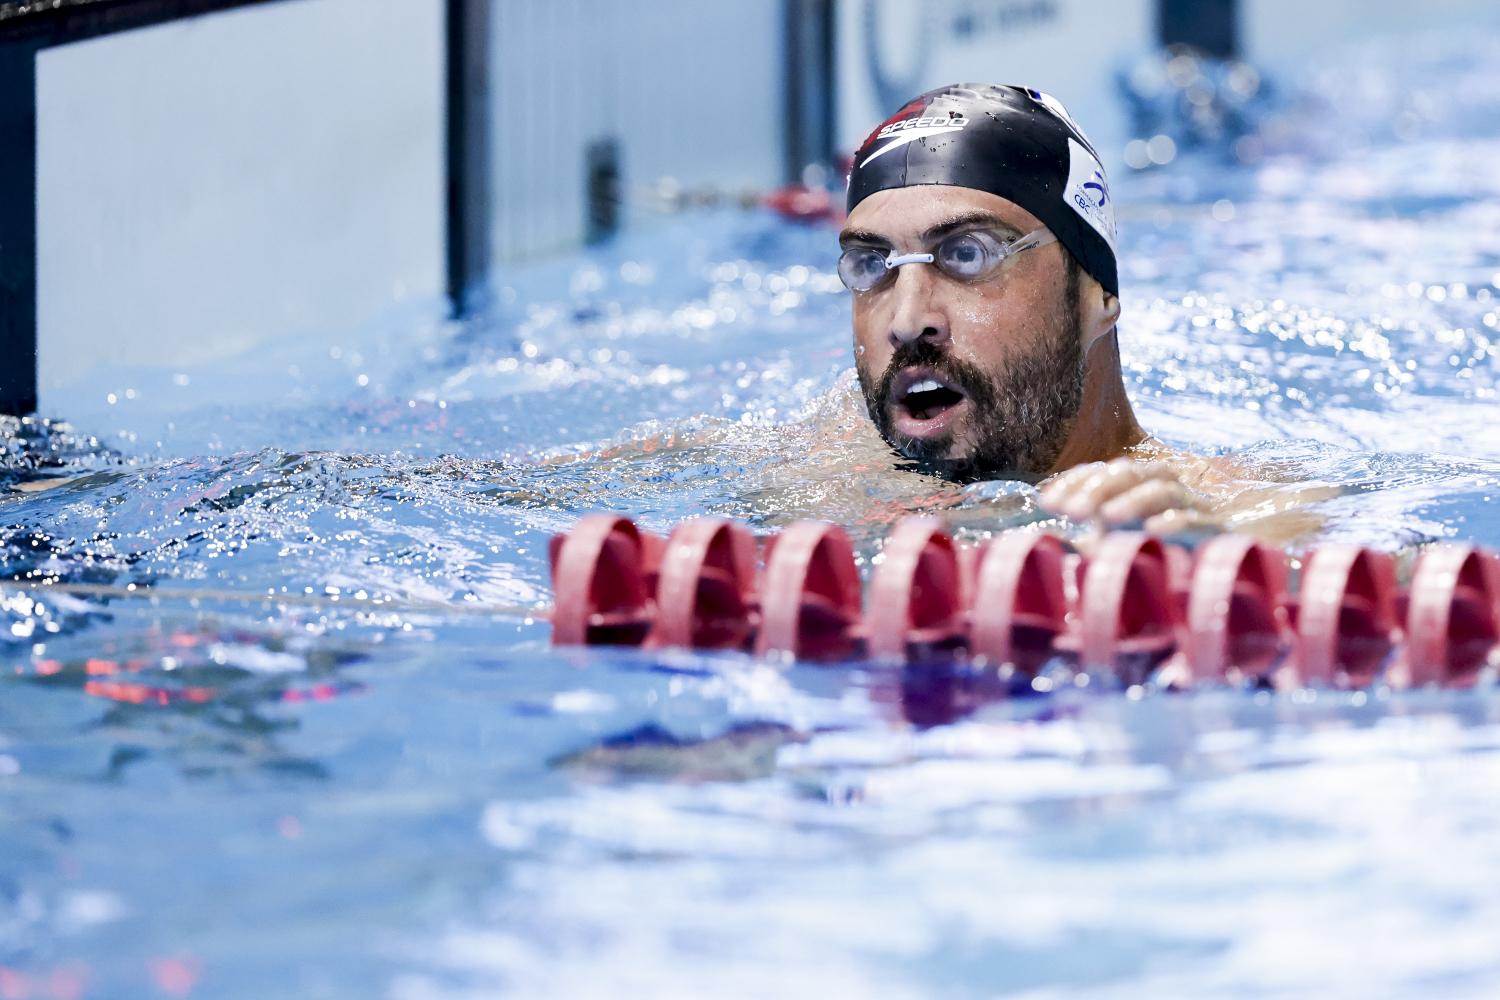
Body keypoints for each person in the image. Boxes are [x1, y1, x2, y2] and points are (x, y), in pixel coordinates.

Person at [841, 83, 1234, 534]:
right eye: (871, 264)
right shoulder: (819, 488)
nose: (907, 322)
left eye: (968, 254)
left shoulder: (1237, 516)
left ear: (1095, 292)